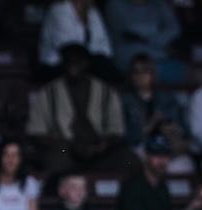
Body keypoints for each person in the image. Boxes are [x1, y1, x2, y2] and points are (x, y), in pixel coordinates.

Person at [25, 43, 127, 177]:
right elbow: (36, 132)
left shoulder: (106, 92)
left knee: (128, 160)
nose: (72, 65)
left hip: (100, 150)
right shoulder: (48, 93)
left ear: (87, 63)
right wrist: (72, 146)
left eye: (78, 61)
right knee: (56, 158)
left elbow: (117, 131)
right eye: (67, 61)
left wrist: (104, 145)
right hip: (64, 148)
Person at [118, 54, 188, 154]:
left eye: (145, 71)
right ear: (130, 75)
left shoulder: (167, 98)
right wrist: (151, 124)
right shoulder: (124, 101)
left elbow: (183, 129)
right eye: (136, 71)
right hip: (137, 150)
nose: (140, 76)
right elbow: (126, 136)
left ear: (152, 73)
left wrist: (174, 129)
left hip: (167, 147)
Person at [104, 0, 181, 77]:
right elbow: (129, 31)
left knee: (186, 72)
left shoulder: (159, 3)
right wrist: (156, 36)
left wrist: (146, 39)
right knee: (143, 74)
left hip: (160, 58)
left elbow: (174, 29)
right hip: (129, 60)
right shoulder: (116, 4)